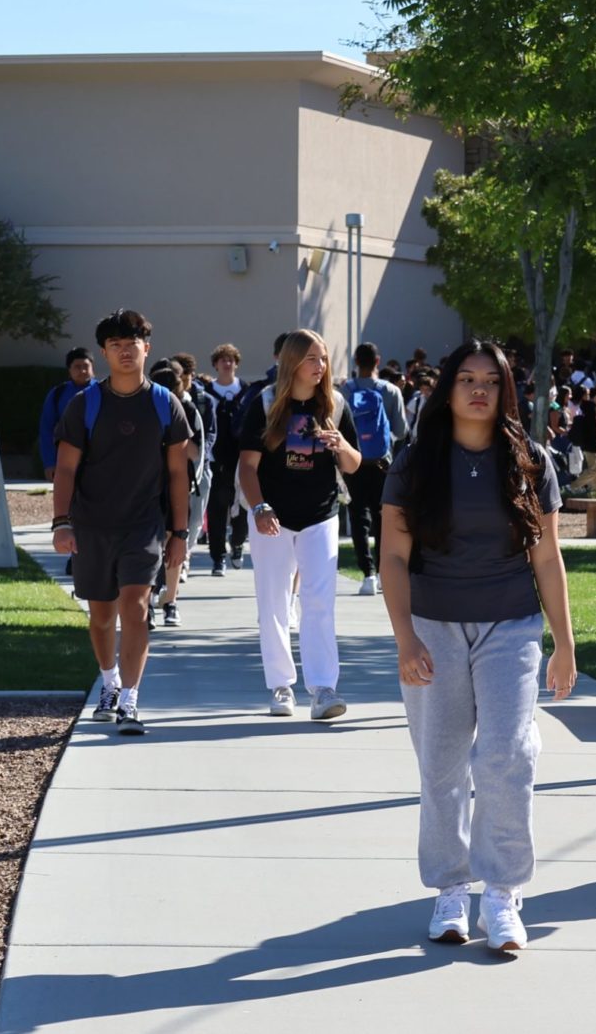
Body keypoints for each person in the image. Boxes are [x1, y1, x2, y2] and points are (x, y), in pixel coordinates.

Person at [379, 339, 576, 951]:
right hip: (434, 625)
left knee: (506, 755)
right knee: (440, 765)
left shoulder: (530, 459)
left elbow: (546, 556)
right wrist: (405, 636)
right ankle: (449, 890)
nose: (479, 389)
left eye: (491, 380)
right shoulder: (415, 463)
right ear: (448, 389)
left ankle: (502, 891)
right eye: (466, 378)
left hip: (510, 625)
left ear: (505, 390)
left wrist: (563, 643)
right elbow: (393, 555)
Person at [51, 309, 192, 736]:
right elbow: (66, 470)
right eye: (116, 346)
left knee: (135, 608)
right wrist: (62, 522)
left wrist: (180, 533)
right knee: (100, 617)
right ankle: (108, 682)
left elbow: (177, 474)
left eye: (132, 345)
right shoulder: (85, 404)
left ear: (146, 348)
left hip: (144, 525)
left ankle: (130, 699)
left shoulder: (165, 405)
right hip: (93, 525)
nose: (125, 352)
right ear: (104, 353)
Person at [237, 330, 362, 721]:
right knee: (274, 602)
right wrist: (259, 508)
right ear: (292, 361)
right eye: (312, 358)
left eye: (323, 358)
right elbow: (247, 466)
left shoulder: (336, 404)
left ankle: (323, 688)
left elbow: (355, 464)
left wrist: (340, 445)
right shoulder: (266, 402)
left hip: (320, 515)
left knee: (320, 602)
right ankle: (281, 685)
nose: (320, 366)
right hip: (272, 517)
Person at [341, 341, 409, 596]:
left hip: (354, 461)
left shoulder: (346, 390)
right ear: (378, 361)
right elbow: (402, 430)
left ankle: (366, 573)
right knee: (383, 517)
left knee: (358, 517)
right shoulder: (390, 390)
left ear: (356, 362)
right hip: (383, 463)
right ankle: (381, 573)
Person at [148, 363, 203, 627]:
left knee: (174, 544)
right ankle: (148, 603)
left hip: (177, 486)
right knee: (148, 545)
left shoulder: (187, 410)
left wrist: (176, 436)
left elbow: (195, 452)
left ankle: (170, 602)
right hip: (147, 486)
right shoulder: (143, 405)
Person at [205, 343, 249, 576]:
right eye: (222, 359)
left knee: (241, 506)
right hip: (215, 459)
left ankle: (238, 545)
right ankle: (218, 557)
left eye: (231, 359)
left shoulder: (246, 390)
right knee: (217, 509)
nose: (227, 363)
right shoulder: (206, 392)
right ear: (215, 364)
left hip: (242, 458)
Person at [172, 351, 214, 579]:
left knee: (196, 517)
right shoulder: (169, 399)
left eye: (186, 374)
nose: (183, 379)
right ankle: (178, 561)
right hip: (173, 469)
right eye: (179, 374)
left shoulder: (203, 401)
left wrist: (200, 453)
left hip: (199, 468)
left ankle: (186, 553)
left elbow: (209, 433)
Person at [38, 347, 94, 479]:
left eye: (86, 366)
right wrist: (50, 463)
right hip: (67, 458)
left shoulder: (104, 392)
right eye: (77, 367)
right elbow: (46, 429)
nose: (83, 371)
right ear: (69, 370)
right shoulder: (58, 394)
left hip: (98, 459)